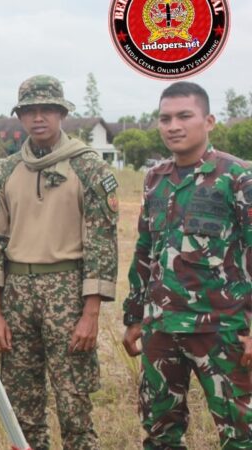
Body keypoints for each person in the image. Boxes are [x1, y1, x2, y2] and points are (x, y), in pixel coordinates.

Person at [0, 75, 119, 449]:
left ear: (61, 113)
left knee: (73, 402)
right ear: (20, 116)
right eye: (29, 111)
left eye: (46, 110)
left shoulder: (88, 168)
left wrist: (91, 314)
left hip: (68, 291)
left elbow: (101, 245)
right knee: (21, 405)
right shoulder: (6, 171)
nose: (38, 118)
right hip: (16, 292)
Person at [123, 81, 252, 448]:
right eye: (165, 118)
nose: (173, 126)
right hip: (161, 327)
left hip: (221, 329)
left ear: (208, 120)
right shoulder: (155, 179)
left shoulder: (238, 177)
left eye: (184, 116)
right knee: (161, 432)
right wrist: (134, 316)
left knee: (240, 433)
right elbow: (146, 250)